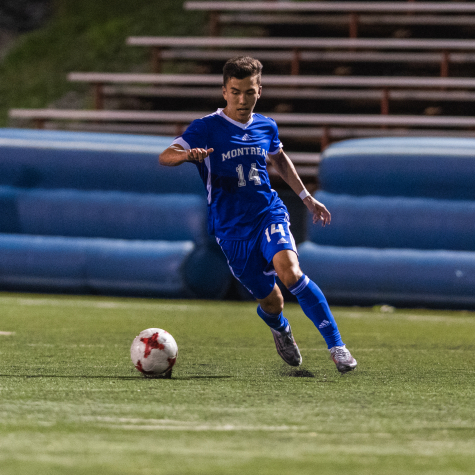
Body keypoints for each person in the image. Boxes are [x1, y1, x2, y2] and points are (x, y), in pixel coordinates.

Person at [159, 56, 357, 373]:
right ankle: (279, 327)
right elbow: (165, 156)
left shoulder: (266, 125)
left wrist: (306, 196)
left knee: (290, 270)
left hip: (268, 212)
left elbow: (279, 157)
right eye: (235, 91)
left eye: (249, 92)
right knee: (272, 302)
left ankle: (337, 347)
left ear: (259, 91)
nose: (242, 99)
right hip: (231, 230)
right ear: (224, 91)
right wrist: (185, 156)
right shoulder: (206, 128)